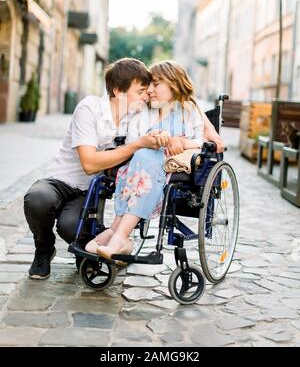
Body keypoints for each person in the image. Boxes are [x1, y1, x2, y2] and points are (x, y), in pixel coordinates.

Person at [24, 58, 160, 280]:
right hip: (61, 179)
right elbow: (89, 164)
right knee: (37, 199)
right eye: (141, 91)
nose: (146, 96)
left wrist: (209, 132)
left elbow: (178, 105)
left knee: (71, 228)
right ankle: (44, 248)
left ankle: (86, 246)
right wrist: (136, 145)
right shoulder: (90, 108)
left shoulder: (136, 116)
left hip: (90, 190)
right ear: (118, 91)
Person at [86, 61, 223, 258]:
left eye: (156, 84)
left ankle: (119, 233)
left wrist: (180, 142)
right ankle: (119, 235)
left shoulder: (189, 111)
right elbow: (133, 139)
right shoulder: (143, 110)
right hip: (140, 166)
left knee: (146, 160)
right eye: (149, 85)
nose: (149, 90)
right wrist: (153, 139)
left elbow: (200, 141)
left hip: (171, 167)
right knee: (142, 157)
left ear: (174, 84)